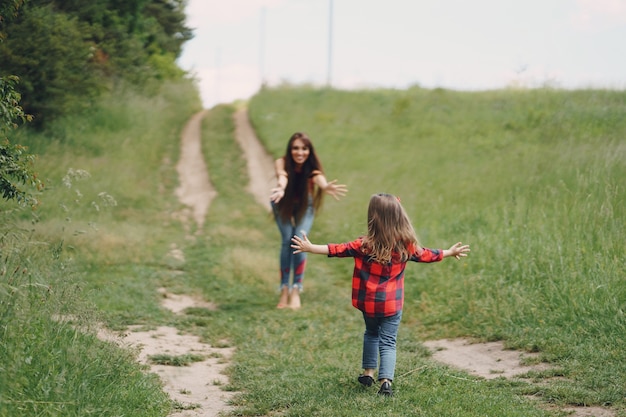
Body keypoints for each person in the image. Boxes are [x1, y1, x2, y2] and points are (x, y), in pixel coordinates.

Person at [290, 193, 470, 396]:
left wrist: (310, 248)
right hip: (391, 305)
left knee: (371, 333)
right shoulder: (406, 247)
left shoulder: (364, 245)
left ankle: (368, 373)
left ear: (372, 218)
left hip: (368, 303)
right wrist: (449, 252)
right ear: (399, 217)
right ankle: (386, 382)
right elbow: (428, 255)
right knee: (388, 342)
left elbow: (337, 249)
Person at [270, 132, 348, 310]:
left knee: (299, 240)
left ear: (309, 150)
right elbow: (283, 176)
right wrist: (281, 188)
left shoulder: (311, 167)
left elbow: (318, 177)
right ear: (290, 150)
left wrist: (325, 186)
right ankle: (284, 288)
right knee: (286, 241)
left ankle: (296, 288)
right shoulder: (281, 162)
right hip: (280, 201)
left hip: (306, 205)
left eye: (304, 148)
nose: (300, 152)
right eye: (295, 148)